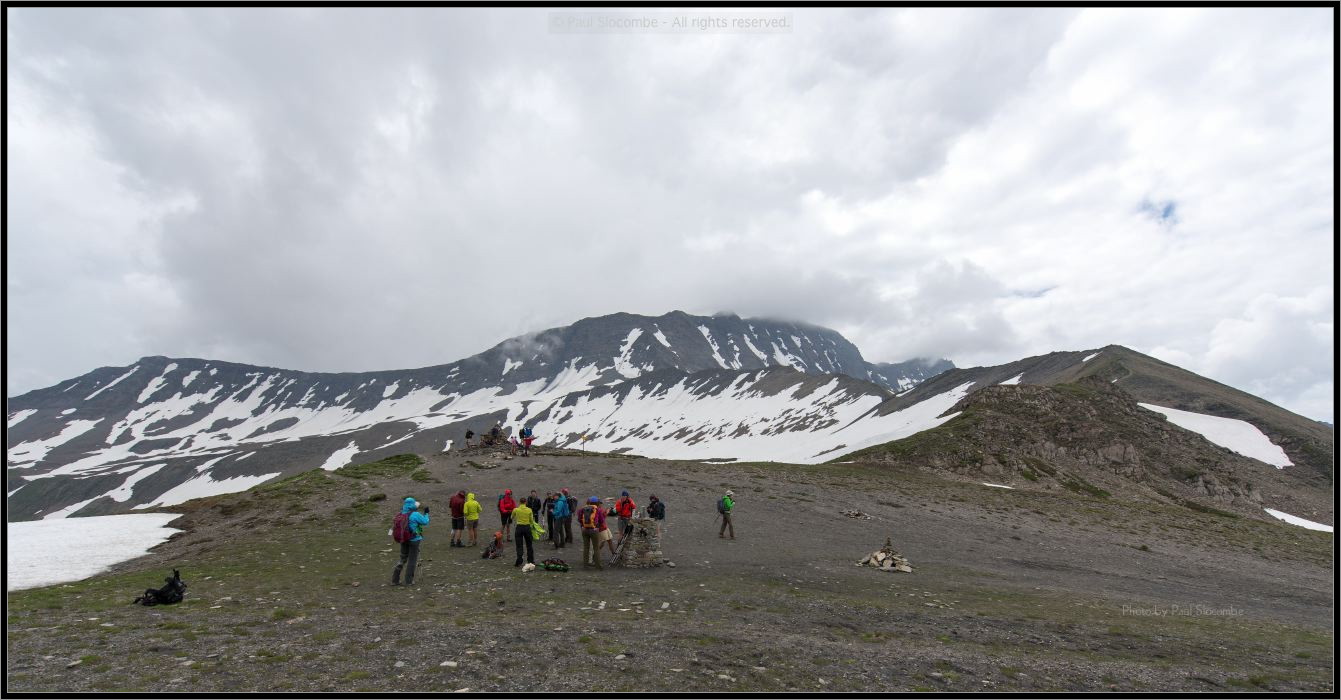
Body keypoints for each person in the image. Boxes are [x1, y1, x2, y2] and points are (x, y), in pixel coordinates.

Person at [392, 497, 430, 585]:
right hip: (414, 539)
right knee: (412, 560)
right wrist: (426, 513)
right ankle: (408, 581)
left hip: (403, 539)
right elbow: (425, 522)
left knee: (402, 558)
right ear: (412, 505)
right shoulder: (415, 514)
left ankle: (395, 580)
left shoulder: (400, 514)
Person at [577, 496, 607, 569]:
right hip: (594, 530)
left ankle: (585, 565)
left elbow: (579, 519)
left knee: (586, 548)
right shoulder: (598, 510)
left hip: (585, 530)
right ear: (597, 502)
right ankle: (598, 565)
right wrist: (597, 527)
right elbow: (602, 521)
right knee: (596, 548)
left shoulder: (582, 509)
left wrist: (582, 526)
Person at [512, 495, 536, 567]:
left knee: (519, 545)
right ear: (525, 502)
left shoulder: (516, 509)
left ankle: (519, 560)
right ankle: (530, 560)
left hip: (519, 527)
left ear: (520, 502)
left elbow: (512, 517)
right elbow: (531, 520)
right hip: (527, 527)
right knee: (529, 545)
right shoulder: (529, 510)